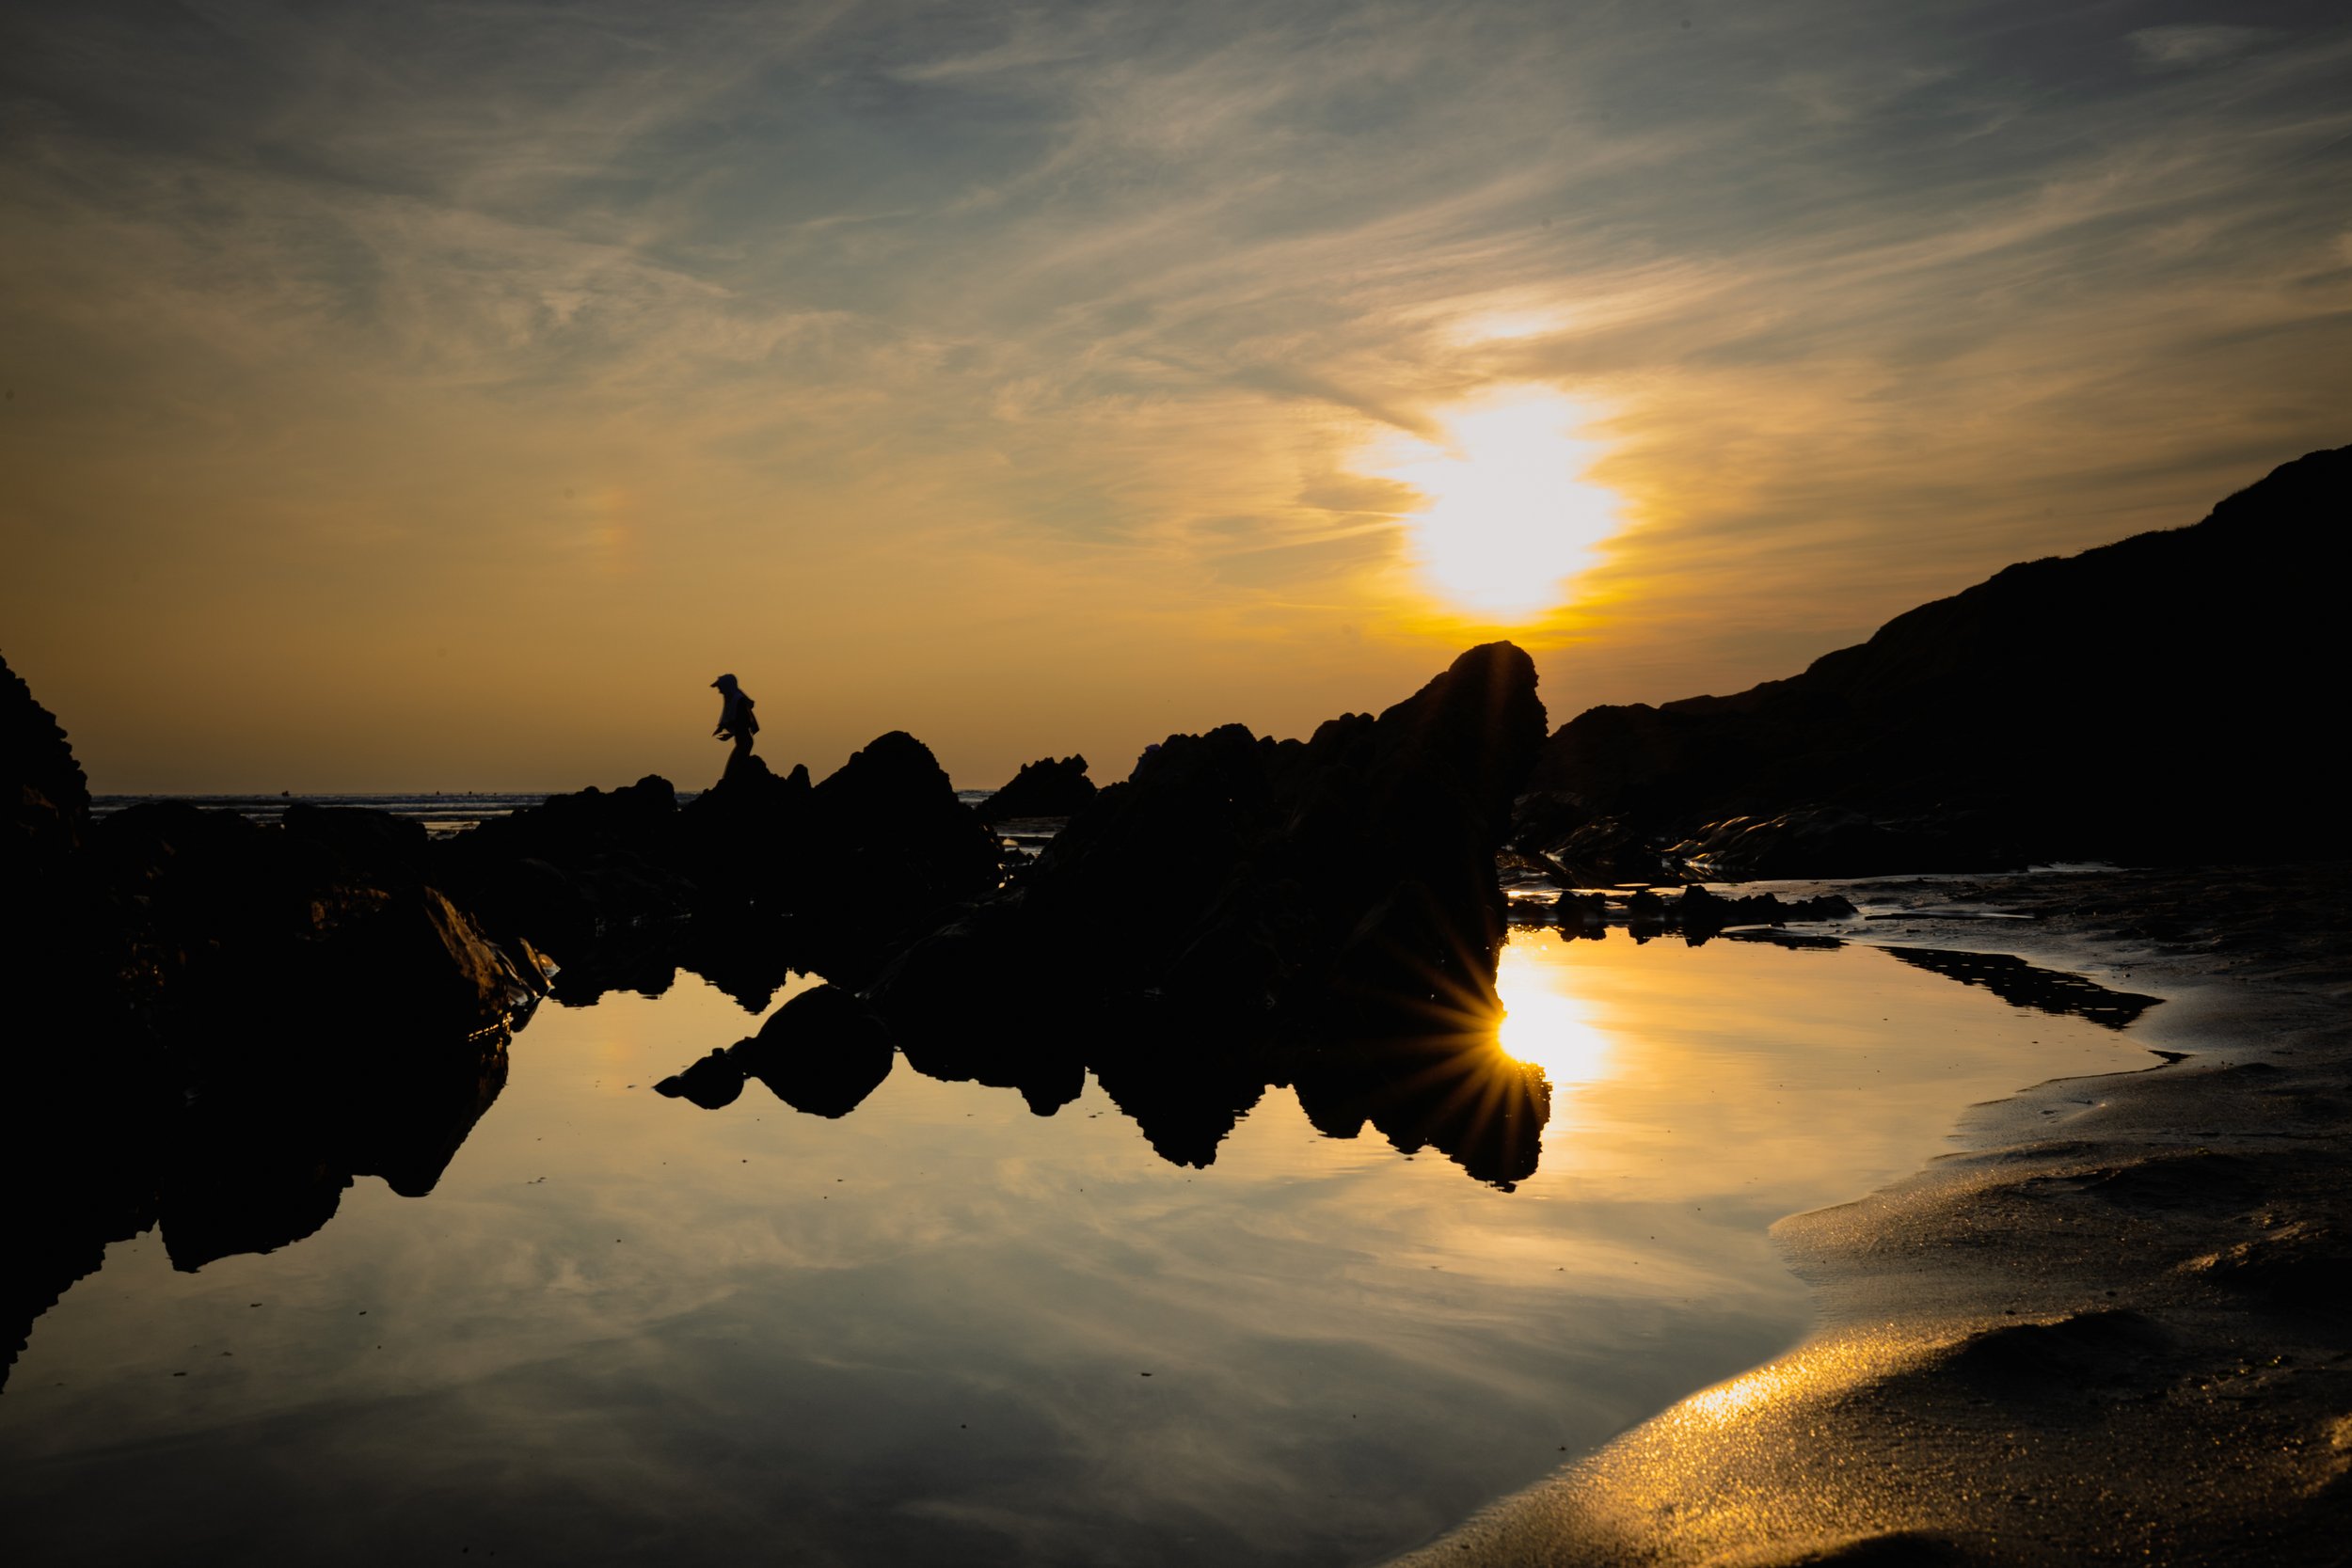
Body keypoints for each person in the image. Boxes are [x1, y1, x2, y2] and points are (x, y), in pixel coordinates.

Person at [710, 673, 759, 758]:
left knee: (734, 767)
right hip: (742, 741)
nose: (720, 691)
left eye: (720, 688)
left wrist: (730, 734)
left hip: (745, 742)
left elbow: (744, 723)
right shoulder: (734, 700)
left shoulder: (738, 701)